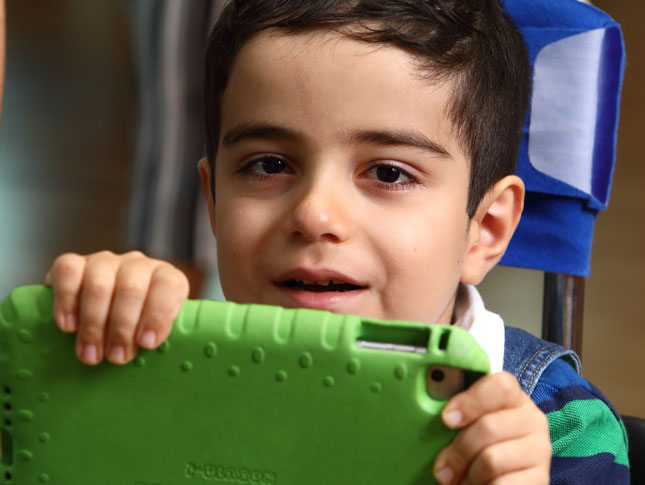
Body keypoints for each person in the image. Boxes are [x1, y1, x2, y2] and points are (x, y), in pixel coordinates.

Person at [42, 1, 629, 483]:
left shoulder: (559, 432)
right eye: (269, 164)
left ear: (487, 228)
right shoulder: (165, 376)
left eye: (389, 173)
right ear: (213, 201)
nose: (315, 213)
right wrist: (87, 373)